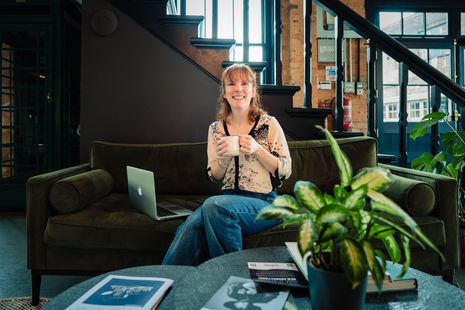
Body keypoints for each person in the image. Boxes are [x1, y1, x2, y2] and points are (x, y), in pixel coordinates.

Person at [162, 63, 291, 266]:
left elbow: (285, 169)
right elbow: (215, 176)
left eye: (244, 84)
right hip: (228, 200)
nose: (238, 89)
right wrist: (223, 159)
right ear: (223, 92)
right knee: (191, 224)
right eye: (231, 84)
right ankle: (166, 281)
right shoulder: (216, 129)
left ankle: (229, 277)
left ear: (253, 90)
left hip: (265, 202)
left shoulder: (268, 124)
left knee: (214, 205)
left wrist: (257, 149)